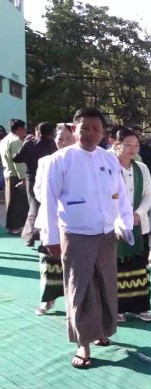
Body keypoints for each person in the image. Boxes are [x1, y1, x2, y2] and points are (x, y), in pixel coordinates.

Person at [41, 107, 134, 368]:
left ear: (103, 133)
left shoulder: (109, 160)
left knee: (106, 285)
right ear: (74, 129)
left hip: (106, 234)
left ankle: (101, 331)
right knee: (79, 288)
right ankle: (83, 343)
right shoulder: (60, 160)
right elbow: (48, 201)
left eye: (96, 129)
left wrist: (124, 223)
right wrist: (50, 237)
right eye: (85, 128)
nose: (91, 133)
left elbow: (120, 195)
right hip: (75, 234)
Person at [112, 126, 151, 323]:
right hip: (116, 226)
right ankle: (117, 308)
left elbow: (150, 194)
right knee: (118, 267)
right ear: (116, 145)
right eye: (128, 144)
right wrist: (121, 216)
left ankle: (141, 307)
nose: (133, 149)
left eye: (136, 145)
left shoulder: (141, 168)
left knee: (140, 265)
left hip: (140, 225)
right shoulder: (109, 167)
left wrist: (138, 213)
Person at [33, 123, 75, 315]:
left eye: (68, 138)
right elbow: (38, 190)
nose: (64, 142)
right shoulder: (46, 161)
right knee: (49, 262)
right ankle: (47, 299)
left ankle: (75, 303)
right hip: (51, 218)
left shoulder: (82, 161)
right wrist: (54, 201)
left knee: (74, 264)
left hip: (74, 221)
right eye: (60, 139)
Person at [13, 122, 58, 246]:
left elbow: (16, 158)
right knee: (48, 208)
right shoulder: (54, 145)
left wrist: (24, 144)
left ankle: (29, 235)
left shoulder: (29, 144)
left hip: (31, 179)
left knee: (33, 208)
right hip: (48, 179)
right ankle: (40, 236)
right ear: (52, 132)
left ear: (38, 131)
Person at [1, 119, 29, 235]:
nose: (25, 131)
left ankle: (12, 226)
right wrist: (23, 177)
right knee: (17, 202)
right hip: (15, 174)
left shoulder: (4, 140)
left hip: (8, 173)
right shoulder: (15, 140)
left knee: (10, 201)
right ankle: (15, 227)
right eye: (24, 128)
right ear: (19, 129)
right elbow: (18, 161)